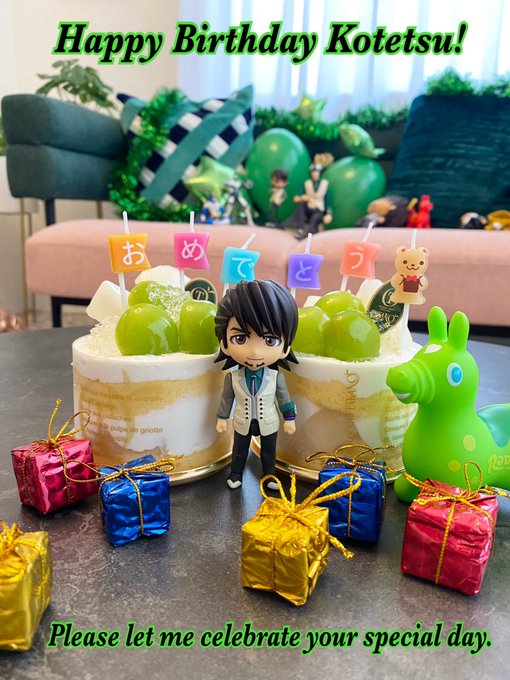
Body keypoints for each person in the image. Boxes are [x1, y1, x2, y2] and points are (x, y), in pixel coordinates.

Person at [215, 280, 298, 490]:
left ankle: (269, 475)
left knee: (269, 451)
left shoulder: (275, 377)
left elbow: (284, 399)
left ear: (285, 348)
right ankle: (236, 473)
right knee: (239, 450)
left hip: (268, 422)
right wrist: (222, 418)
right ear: (224, 343)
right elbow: (226, 399)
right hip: (242, 422)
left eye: (270, 341)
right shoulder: (232, 378)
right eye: (240, 338)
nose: (254, 352)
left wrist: (289, 418)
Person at [293, 155, 333, 240]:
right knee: (301, 206)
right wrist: (302, 198)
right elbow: (296, 198)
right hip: (308, 208)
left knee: (314, 220)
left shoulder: (324, 184)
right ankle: (300, 229)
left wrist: (328, 213)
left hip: (318, 209)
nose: (314, 174)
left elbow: (327, 201)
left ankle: (308, 235)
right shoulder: (306, 183)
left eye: (316, 172)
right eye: (313, 172)